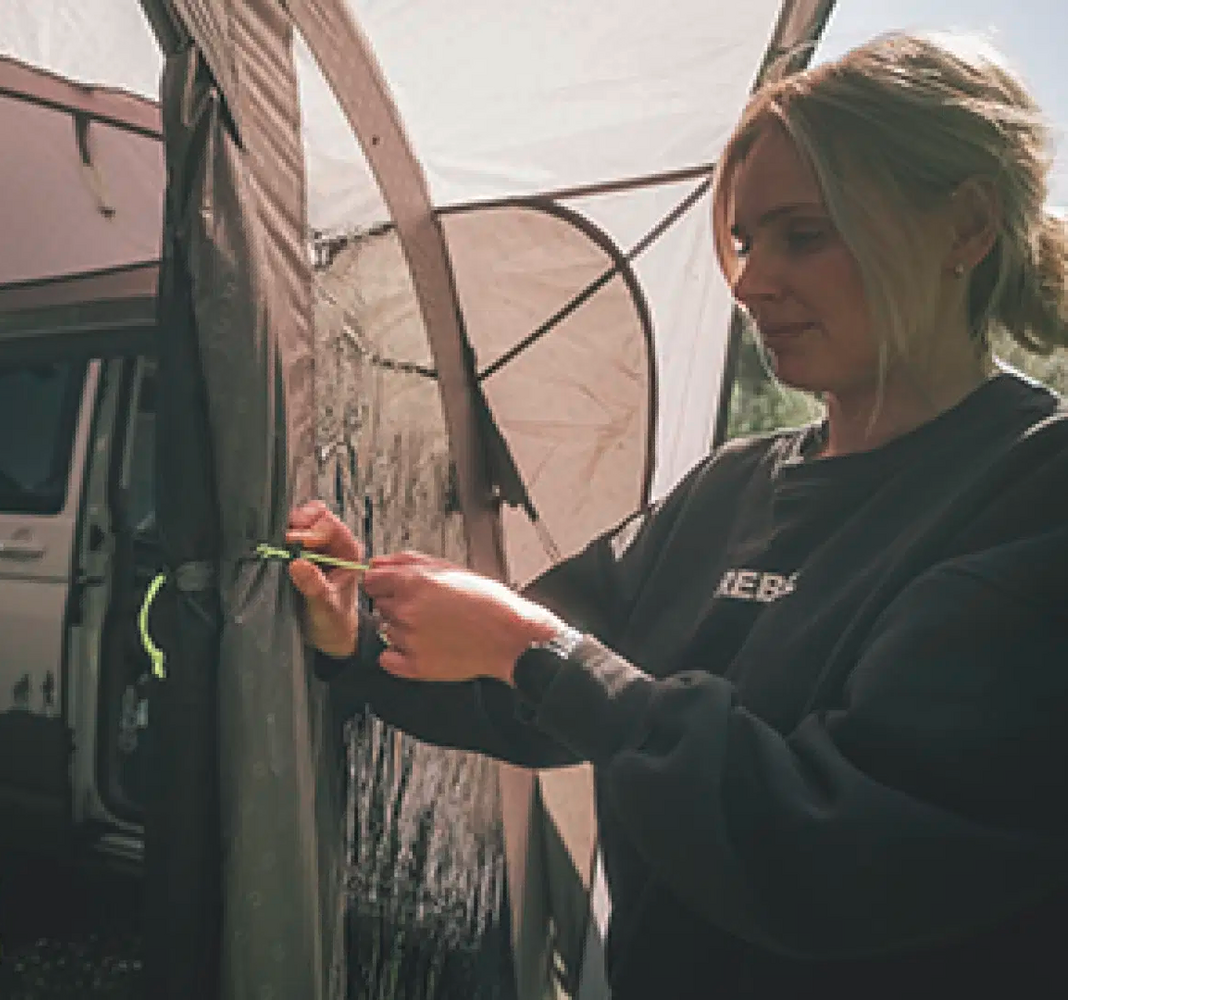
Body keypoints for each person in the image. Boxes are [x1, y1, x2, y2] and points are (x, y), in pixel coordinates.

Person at [286, 30, 1066, 1000]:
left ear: (966, 228)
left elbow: (830, 850)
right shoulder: (732, 487)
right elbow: (538, 691)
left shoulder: (1042, 494)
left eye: (803, 235)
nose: (751, 282)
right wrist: (360, 638)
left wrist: (536, 650)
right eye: (744, 242)